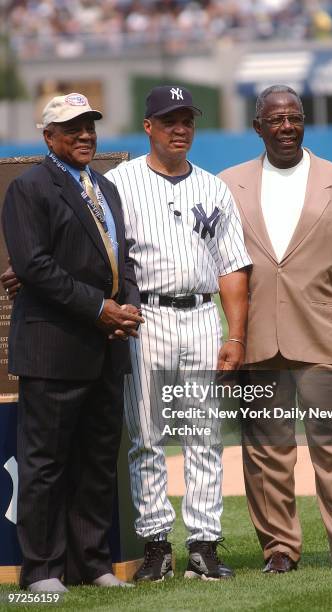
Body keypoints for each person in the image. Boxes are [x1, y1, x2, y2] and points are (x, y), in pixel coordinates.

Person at [219, 85, 332, 573]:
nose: (286, 127)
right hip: (256, 338)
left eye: (294, 118)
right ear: (257, 127)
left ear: (304, 122)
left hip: (324, 334)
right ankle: (279, 548)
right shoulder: (228, 184)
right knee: (266, 451)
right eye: (275, 120)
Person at [105, 85, 252, 581]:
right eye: (169, 120)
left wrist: (234, 336)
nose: (180, 128)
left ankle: (204, 545)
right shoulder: (119, 183)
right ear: (148, 126)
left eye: (187, 119)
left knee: (204, 435)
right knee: (146, 436)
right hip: (145, 318)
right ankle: (155, 546)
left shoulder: (213, 187)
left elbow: (232, 267)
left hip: (200, 316)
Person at [1, 93, 143, 592]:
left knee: (96, 460)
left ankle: (92, 562)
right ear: (49, 137)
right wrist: (99, 308)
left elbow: (120, 257)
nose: (85, 135)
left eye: (90, 126)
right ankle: (42, 570)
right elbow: (35, 267)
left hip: (107, 347)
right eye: (72, 128)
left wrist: (128, 304)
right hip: (54, 347)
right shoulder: (29, 188)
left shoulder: (105, 187)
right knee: (44, 465)